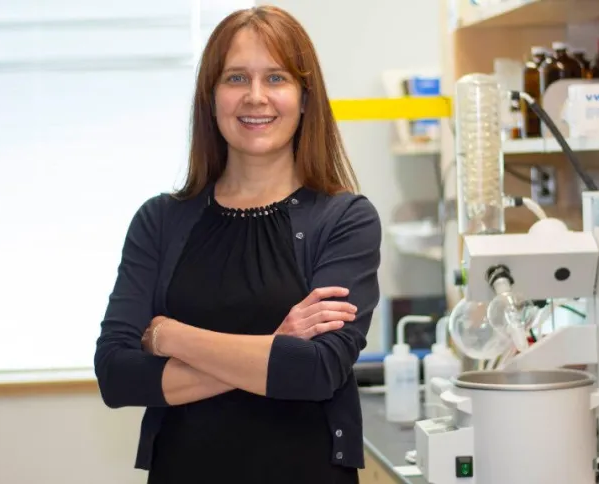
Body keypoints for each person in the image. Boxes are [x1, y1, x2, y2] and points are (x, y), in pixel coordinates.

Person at [93, 6, 382, 484]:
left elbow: (316, 372)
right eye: (235, 78)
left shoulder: (344, 220)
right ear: (211, 97)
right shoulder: (160, 221)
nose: (255, 97)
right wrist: (275, 347)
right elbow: (118, 374)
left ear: (305, 98)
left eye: (276, 78)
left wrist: (169, 337)